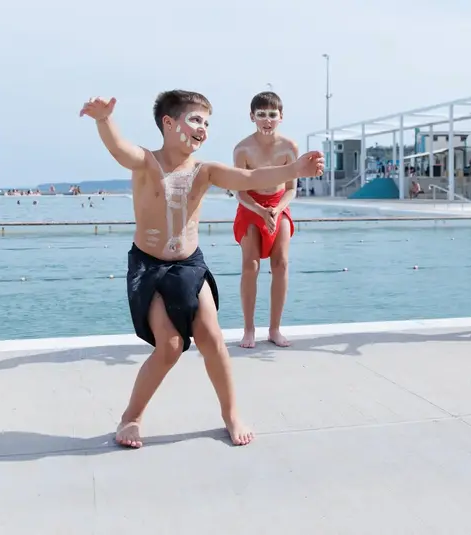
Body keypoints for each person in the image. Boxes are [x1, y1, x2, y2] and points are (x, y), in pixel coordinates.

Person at [79, 90, 324, 448]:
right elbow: (119, 148)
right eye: (195, 120)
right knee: (170, 346)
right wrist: (104, 120)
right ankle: (130, 417)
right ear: (168, 123)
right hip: (150, 267)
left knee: (213, 340)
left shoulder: (204, 171)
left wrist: (294, 170)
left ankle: (231, 413)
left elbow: (247, 178)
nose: (203, 129)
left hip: (190, 266)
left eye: (207, 123)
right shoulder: (146, 162)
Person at [231, 92, 299, 348]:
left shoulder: (290, 148)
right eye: (261, 115)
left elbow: (292, 188)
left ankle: (275, 329)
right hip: (251, 206)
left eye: (272, 115)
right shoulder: (242, 149)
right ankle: (249, 329)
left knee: (280, 263)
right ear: (252, 117)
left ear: (281, 117)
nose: (267, 120)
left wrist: (277, 210)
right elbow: (239, 190)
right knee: (251, 266)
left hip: (279, 205)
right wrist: (261, 211)